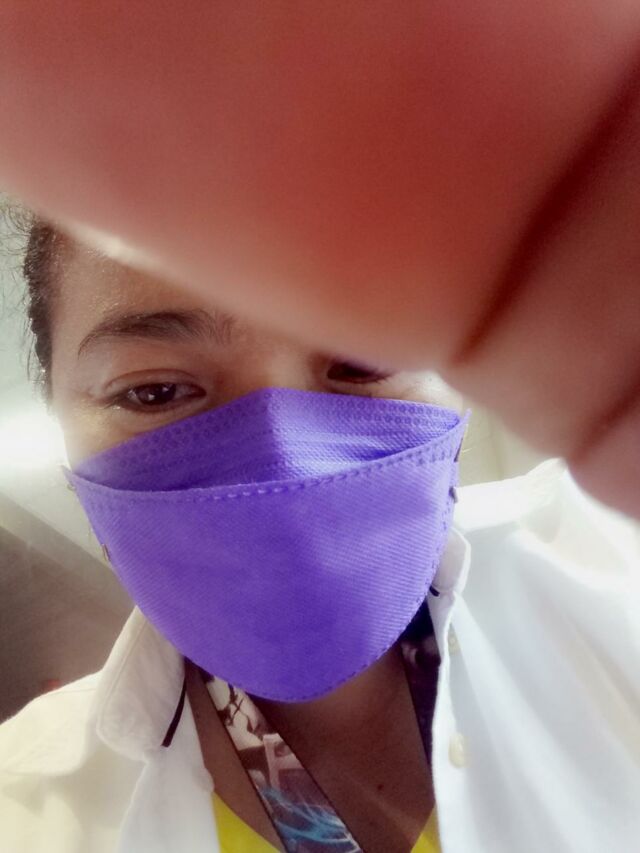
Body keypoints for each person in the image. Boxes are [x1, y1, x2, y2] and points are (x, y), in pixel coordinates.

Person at [0, 215, 639, 853]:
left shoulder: (617, 571)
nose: (286, 461)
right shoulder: (22, 810)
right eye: (157, 391)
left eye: (362, 361)